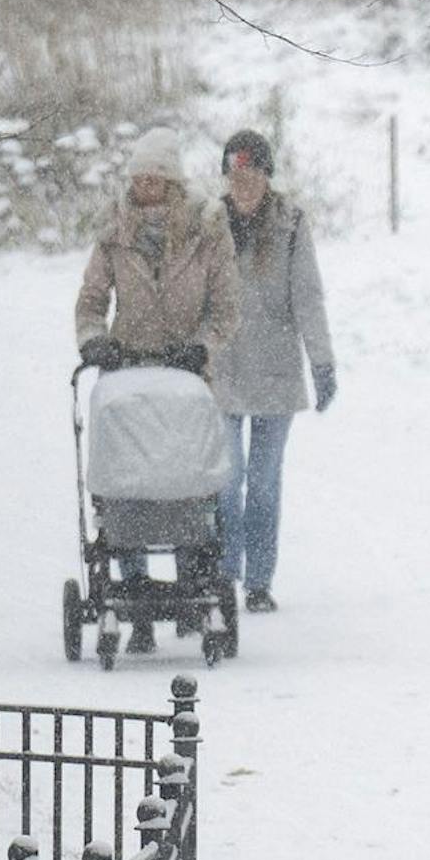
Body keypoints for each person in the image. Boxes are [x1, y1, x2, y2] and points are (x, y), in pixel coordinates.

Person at [75, 126, 240, 652]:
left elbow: (226, 306)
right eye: (138, 178)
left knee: (186, 479)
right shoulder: (114, 231)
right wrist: (94, 340)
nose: (144, 187)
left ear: (171, 183)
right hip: (128, 371)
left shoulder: (208, 232)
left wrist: (203, 346)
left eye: (154, 179)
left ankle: (195, 582)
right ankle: (133, 589)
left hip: (187, 374)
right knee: (127, 483)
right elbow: (91, 299)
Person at [206, 128, 336, 613]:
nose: (245, 185)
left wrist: (321, 361)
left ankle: (258, 581)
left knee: (262, 481)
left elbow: (308, 295)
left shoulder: (291, 224)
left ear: (267, 176)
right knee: (225, 478)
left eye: (254, 174)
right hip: (223, 369)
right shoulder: (209, 223)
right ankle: (222, 573)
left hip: (277, 369)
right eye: (236, 175)